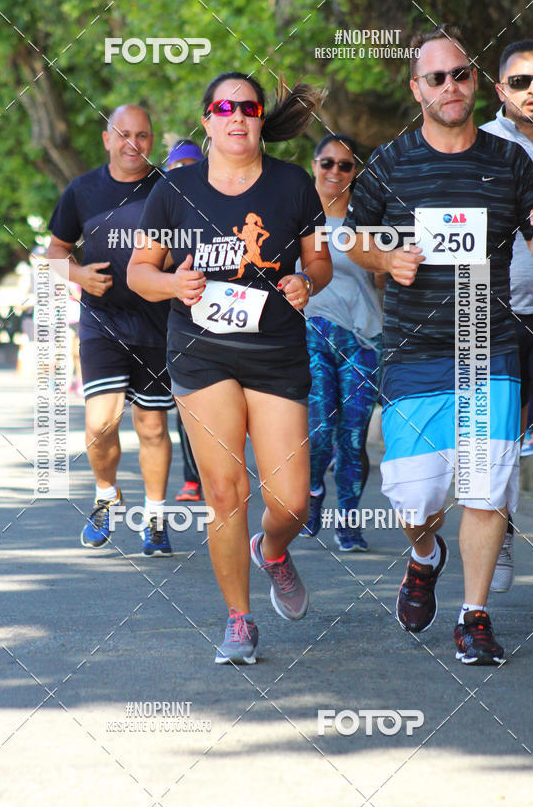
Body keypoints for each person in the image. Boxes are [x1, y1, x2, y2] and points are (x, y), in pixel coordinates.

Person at [345, 25, 533, 665]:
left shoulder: (507, 160)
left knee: (484, 486)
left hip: (484, 342)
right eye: (436, 78)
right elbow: (354, 239)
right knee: (414, 496)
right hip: (412, 349)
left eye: (460, 74)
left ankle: (474, 615)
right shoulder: (391, 161)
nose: (450, 86)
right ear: (417, 89)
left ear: (474, 83)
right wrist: (388, 256)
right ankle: (423, 553)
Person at [128, 72, 332, 664]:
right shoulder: (174, 189)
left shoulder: (294, 185)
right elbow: (141, 272)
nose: (237, 116)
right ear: (207, 118)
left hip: (275, 353)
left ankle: (272, 550)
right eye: (224, 107)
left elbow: (319, 264)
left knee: (292, 501)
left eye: (248, 106)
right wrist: (173, 283)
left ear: (261, 118)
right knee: (224, 490)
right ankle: (239, 620)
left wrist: (303, 282)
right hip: (202, 349)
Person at [47, 104, 174, 556]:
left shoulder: (168, 188)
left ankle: (156, 519)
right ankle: (106, 497)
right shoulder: (82, 190)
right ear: (106, 139)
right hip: (101, 320)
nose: (132, 144)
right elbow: (55, 251)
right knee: (101, 426)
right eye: (123, 134)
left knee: (153, 427)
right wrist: (79, 276)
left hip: (157, 322)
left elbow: (191, 244)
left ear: (151, 141)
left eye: (142, 135)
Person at [482, 40, 533, 603]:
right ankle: (499, 536)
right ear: (500, 90)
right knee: (495, 442)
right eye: (520, 81)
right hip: (493, 308)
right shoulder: (480, 145)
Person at [299, 134, 382, 551]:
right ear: (314, 165)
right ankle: (312, 489)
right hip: (309, 331)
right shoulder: (295, 213)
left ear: (355, 172)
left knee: (352, 436)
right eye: (327, 163)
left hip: (363, 338)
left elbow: (385, 278)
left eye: (345, 165)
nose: (335, 171)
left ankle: (348, 520)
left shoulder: (366, 218)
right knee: (319, 430)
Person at [165, 138, 205, 502]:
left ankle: (219, 472)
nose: (183, 174)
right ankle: (193, 478)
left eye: (191, 165)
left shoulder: (217, 202)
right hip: (176, 324)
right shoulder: (161, 208)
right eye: (176, 168)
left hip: (222, 324)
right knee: (185, 407)